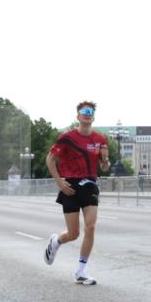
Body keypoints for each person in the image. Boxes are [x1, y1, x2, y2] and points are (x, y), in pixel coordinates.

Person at [44, 102, 110, 286]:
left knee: (90, 226)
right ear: (78, 116)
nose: (88, 115)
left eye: (91, 112)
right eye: (84, 112)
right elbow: (50, 159)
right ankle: (56, 240)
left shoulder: (100, 139)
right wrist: (59, 181)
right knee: (73, 233)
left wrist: (105, 159)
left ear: (94, 116)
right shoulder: (67, 137)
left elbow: (104, 167)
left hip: (89, 183)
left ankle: (81, 271)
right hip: (70, 185)